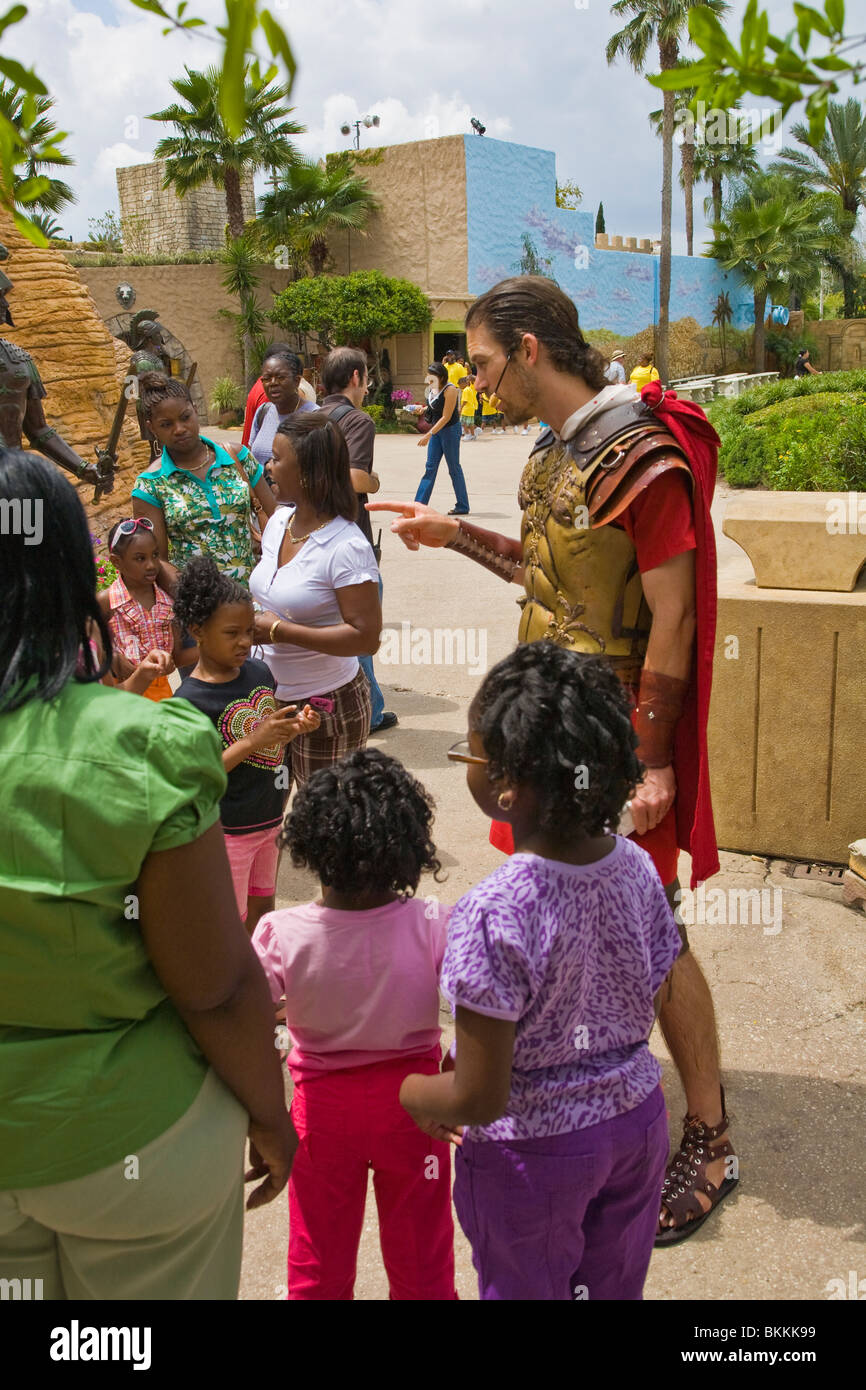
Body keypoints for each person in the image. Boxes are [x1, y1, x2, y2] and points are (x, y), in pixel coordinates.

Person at [370, 274, 737, 1246]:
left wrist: (651, 761)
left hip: (614, 735)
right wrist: (457, 537)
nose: (477, 384)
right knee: (576, 905)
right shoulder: (556, 452)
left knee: (653, 925)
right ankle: (590, 1070)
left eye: (483, 363)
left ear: (529, 348)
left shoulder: (639, 457)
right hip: (553, 721)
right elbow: (546, 573)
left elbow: (674, 614)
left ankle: (709, 1132)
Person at [0, 449, 297, 1300]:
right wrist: (270, 1116)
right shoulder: (145, 744)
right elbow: (213, 985)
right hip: (135, 1150)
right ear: (69, 572)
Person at [401, 644, 682, 1300]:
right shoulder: (638, 869)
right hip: (637, 1125)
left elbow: (477, 1097)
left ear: (506, 786)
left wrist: (409, 1094)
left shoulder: (493, 911)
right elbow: (656, 981)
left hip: (534, 1158)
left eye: (468, 754)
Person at [251, 748, 458, 1301]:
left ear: (312, 847)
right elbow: (480, 1008)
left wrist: (263, 1110)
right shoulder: (432, 923)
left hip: (321, 1116)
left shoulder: (280, 933)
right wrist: (458, 1073)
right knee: (424, 1263)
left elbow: (244, 1025)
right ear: (410, 846)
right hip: (417, 1111)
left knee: (317, 1261)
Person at [174, 557, 320, 936]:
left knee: (263, 908)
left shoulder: (259, 673)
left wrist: (293, 726)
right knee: (231, 920)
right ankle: (237, 990)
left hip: (269, 818)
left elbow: (267, 730)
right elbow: (200, 771)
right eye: (231, 633)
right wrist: (255, 739)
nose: (244, 643)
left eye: (249, 632)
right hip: (227, 831)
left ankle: (262, 982)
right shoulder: (189, 701)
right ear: (198, 631)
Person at [250, 413, 381, 793]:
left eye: (276, 459)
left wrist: (279, 631)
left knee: (327, 830)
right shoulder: (279, 523)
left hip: (327, 708)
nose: (268, 467)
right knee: (268, 819)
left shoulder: (347, 547)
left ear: (308, 472)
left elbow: (365, 638)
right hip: (270, 701)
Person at [132, 373, 276, 589]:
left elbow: (277, 519)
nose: (179, 429)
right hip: (201, 608)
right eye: (166, 424)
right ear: (152, 428)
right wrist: (198, 602)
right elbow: (158, 561)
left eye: (185, 417)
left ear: (195, 410)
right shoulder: (150, 485)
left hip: (256, 597)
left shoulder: (238, 457)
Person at [318, 346, 397, 734]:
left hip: (310, 536)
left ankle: (371, 705)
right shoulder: (357, 421)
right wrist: (376, 481)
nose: (367, 385)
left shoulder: (309, 416)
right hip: (349, 536)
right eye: (366, 377)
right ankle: (369, 712)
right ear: (355, 378)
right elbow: (354, 478)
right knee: (363, 625)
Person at [98, 517, 194, 700]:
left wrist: (211, 645)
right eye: (140, 558)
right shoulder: (107, 601)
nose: (151, 565)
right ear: (116, 562)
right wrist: (113, 657)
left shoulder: (166, 603)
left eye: (155, 555)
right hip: (122, 691)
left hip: (160, 690)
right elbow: (87, 641)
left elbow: (178, 657)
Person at [247, 347, 318, 472]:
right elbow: (251, 459)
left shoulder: (314, 416)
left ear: (296, 381)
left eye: (280, 377)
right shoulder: (263, 412)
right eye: (267, 378)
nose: (273, 383)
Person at [413, 362, 470, 517]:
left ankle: (463, 505)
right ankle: (419, 505)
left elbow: (446, 416)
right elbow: (434, 406)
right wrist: (423, 409)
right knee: (430, 467)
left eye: (432, 376)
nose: (428, 378)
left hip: (449, 431)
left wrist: (428, 434)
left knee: (453, 468)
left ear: (441, 377)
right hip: (437, 431)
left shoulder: (450, 389)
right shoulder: (432, 388)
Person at [459, 374, 478, 440]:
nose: (459, 386)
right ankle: (473, 435)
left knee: (463, 423)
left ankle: (467, 434)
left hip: (466, 409)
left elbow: (465, 401)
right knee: (471, 423)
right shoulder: (470, 389)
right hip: (471, 408)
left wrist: (460, 408)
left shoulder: (465, 390)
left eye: (460, 385)